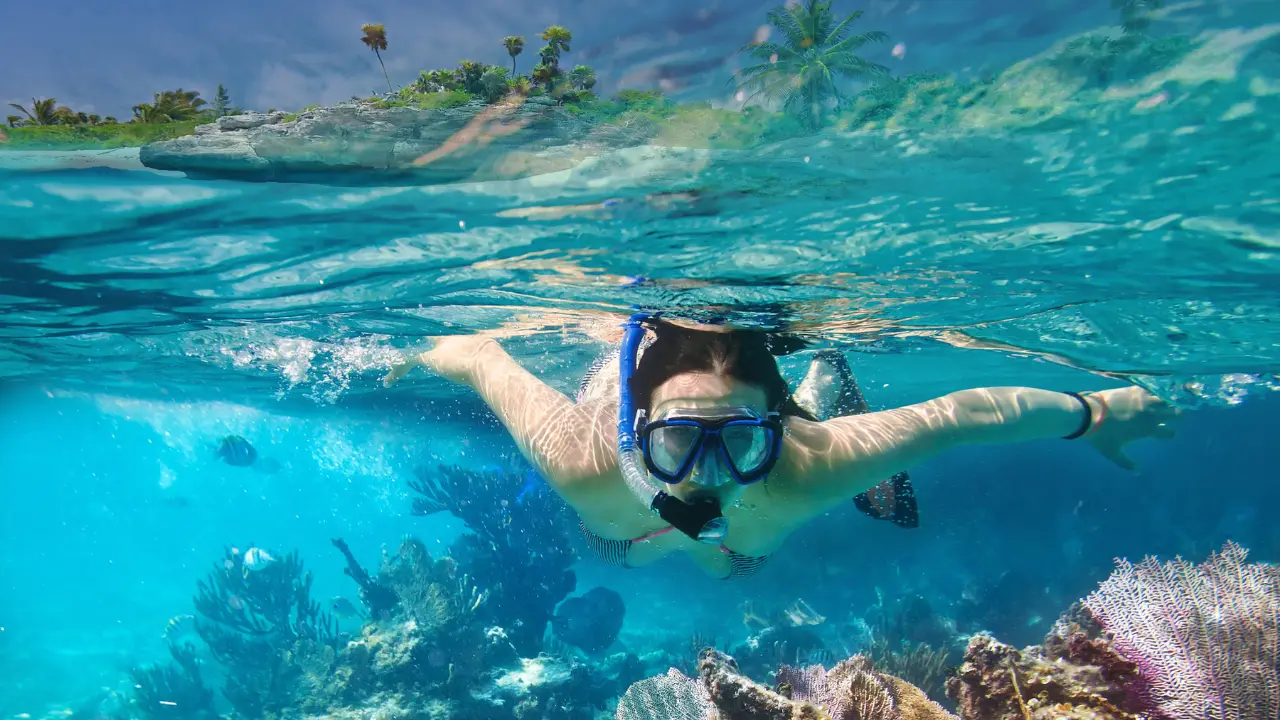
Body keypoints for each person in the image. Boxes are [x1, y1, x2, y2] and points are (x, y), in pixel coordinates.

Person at [384, 315, 1178, 580]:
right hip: (621, 533)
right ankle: (815, 389)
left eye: (739, 443)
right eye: (680, 442)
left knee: (733, 560)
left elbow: (962, 414)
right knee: (627, 544)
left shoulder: (804, 464)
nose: (707, 475)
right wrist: (418, 353)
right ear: (637, 434)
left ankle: (819, 382)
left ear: (775, 431)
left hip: (764, 481)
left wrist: (1094, 411)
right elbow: (482, 353)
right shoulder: (582, 460)